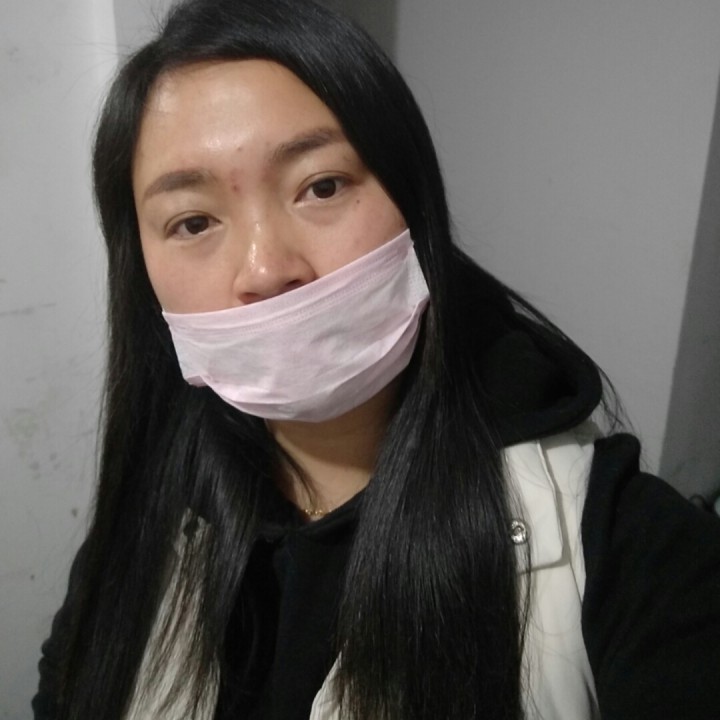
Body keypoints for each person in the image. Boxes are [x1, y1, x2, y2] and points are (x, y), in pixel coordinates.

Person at [32, 0, 720, 718]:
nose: (266, 269)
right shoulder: (142, 527)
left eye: (322, 186)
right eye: (194, 221)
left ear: (413, 201)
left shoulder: (628, 548)